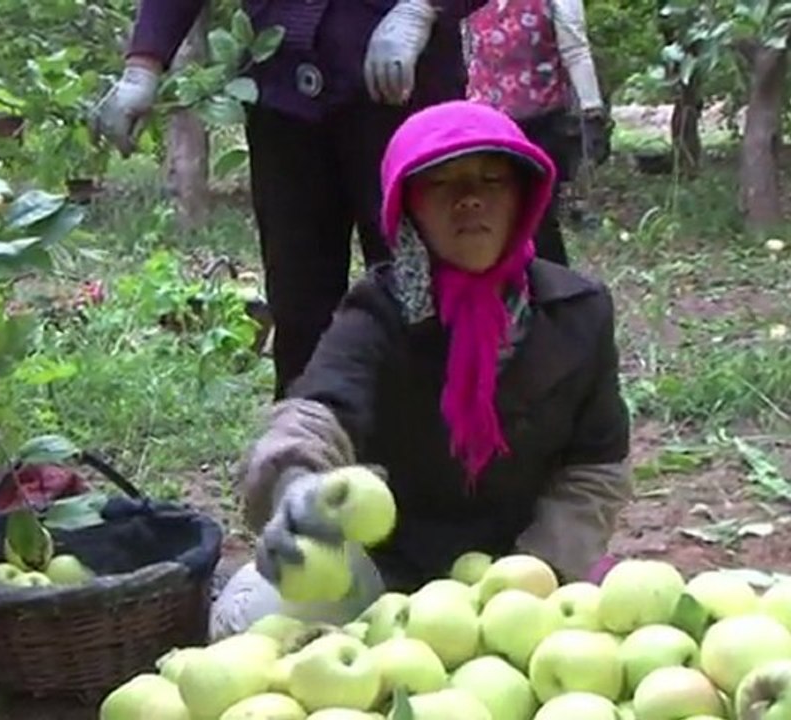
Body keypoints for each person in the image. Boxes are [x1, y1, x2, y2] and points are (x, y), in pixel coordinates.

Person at [209, 100, 631, 639]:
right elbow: (317, 415)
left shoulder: (578, 311)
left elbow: (596, 467)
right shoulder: (379, 310)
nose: (470, 198)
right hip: (390, 568)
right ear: (408, 210)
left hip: (525, 572)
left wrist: (536, 576)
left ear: (524, 198)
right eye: (442, 184)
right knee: (258, 619)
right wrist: (298, 490)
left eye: (492, 179)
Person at [89, 0, 485, 399]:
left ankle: (438, 444)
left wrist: (420, 8)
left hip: (404, 92)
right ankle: (305, 448)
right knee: (299, 307)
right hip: (283, 100)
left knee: (421, 296)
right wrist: (144, 64)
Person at [465, 0, 611, 266]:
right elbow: (468, 53)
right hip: (484, 126)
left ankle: (553, 293)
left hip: (539, 123)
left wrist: (592, 112)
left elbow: (576, 51)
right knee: (490, 214)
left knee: (537, 218)